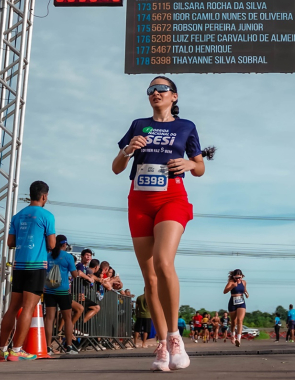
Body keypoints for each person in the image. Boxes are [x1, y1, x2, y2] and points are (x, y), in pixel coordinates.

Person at [112, 76, 216, 371]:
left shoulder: (186, 127)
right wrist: (127, 150)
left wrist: (189, 163)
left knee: (163, 262)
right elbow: (117, 168)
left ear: (174, 96)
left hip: (172, 198)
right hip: (140, 201)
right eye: (150, 90)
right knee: (149, 278)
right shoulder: (138, 125)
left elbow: (200, 168)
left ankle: (174, 337)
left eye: (161, 89)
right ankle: (160, 347)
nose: (155, 93)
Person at [0, 180, 56, 361]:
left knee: (13, 307)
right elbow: (52, 244)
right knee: (29, 308)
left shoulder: (18, 216)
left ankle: (1, 349)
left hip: (19, 265)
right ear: (44, 196)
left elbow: (10, 243)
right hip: (36, 266)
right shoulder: (47, 215)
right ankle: (16, 350)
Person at [43, 235, 79, 354]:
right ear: (65, 244)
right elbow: (74, 275)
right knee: (67, 319)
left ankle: (48, 347)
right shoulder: (68, 257)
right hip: (63, 291)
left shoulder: (47, 256)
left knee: (49, 319)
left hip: (49, 290)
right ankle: (68, 346)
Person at [224, 269, 249, 347]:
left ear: (241, 276)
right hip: (233, 302)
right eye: (236, 277)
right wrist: (231, 286)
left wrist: (246, 293)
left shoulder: (244, 282)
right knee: (233, 321)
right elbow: (224, 291)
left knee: (240, 320)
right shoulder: (231, 282)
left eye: (239, 277)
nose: (238, 279)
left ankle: (238, 339)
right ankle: (232, 336)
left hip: (241, 302)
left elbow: (244, 289)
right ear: (233, 277)